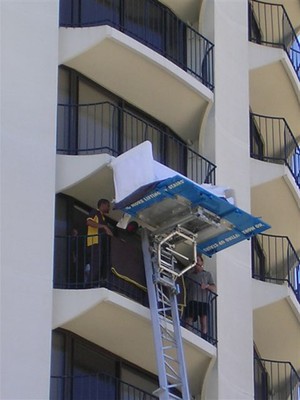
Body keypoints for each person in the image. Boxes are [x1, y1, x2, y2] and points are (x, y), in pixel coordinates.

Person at [185, 254, 216, 340]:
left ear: (202, 262)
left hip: (203, 301)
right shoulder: (190, 275)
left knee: (203, 321)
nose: (196, 263)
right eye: (194, 261)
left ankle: (204, 339)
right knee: (189, 320)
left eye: (198, 260)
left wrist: (206, 286)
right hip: (192, 300)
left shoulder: (207, 274)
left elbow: (214, 288)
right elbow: (186, 287)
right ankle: (187, 337)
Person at [86, 199, 113, 286]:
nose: (109, 208)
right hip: (95, 242)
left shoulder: (103, 217)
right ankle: (89, 285)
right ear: (102, 204)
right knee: (96, 265)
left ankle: (95, 283)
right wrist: (104, 227)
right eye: (108, 205)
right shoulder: (95, 212)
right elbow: (89, 222)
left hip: (99, 244)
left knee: (99, 264)